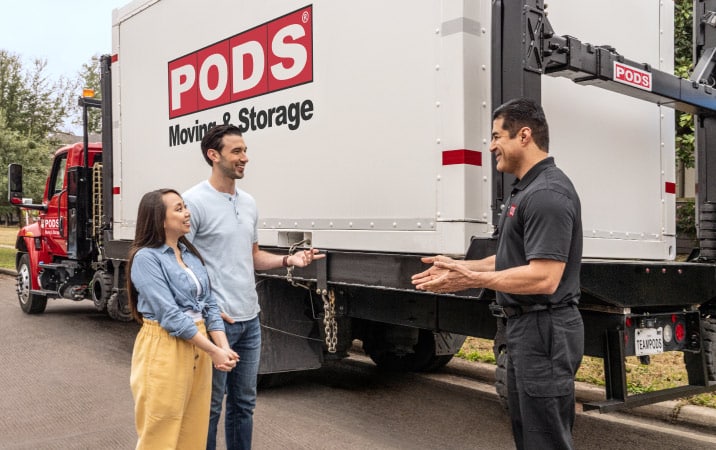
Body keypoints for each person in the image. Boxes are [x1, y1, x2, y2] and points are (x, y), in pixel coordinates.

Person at [412, 97, 584, 450]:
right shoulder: (525, 190)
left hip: (545, 331)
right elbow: (508, 259)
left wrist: (471, 279)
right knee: (528, 435)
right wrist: (460, 265)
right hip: (526, 328)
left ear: (523, 135)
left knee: (545, 440)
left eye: (496, 136)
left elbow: (544, 277)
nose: (491, 146)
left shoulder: (547, 193)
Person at [183, 124, 324, 450]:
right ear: (213, 155)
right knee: (210, 407)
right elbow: (180, 263)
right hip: (217, 325)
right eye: (237, 151)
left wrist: (291, 261)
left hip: (249, 321)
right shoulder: (194, 202)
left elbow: (254, 256)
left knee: (244, 404)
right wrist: (207, 308)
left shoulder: (248, 202)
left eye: (245, 151)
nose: (245, 158)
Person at [126, 188, 239, 450]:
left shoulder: (189, 255)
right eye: (178, 209)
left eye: (185, 206)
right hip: (164, 345)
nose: (187, 213)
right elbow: (171, 316)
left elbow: (210, 304)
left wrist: (223, 347)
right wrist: (213, 351)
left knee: (194, 430)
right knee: (161, 432)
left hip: (197, 343)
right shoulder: (146, 258)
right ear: (160, 219)